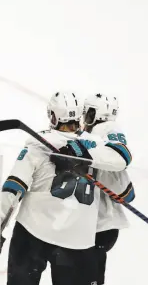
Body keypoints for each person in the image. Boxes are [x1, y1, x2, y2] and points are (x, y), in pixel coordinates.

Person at [0, 91, 132, 285]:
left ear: (53, 116)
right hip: (77, 242)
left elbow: (14, 187)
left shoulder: (39, 144)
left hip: (33, 233)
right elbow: (125, 191)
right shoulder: (101, 149)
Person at [82, 93, 135, 285]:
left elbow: (121, 156)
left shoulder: (104, 129)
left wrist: (83, 154)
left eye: (88, 112)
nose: (84, 117)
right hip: (101, 226)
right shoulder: (98, 133)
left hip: (99, 225)